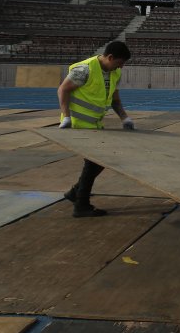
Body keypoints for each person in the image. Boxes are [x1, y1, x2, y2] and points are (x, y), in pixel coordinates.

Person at [57, 40, 135, 218]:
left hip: (95, 125)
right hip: (77, 124)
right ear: (110, 57)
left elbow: (114, 99)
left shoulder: (113, 73)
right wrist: (66, 116)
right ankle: (81, 205)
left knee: (101, 161)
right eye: (120, 63)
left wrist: (124, 118)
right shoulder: (85, 70)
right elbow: (63, 90)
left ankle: (75, 193)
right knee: (93, 162)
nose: (121, 67)